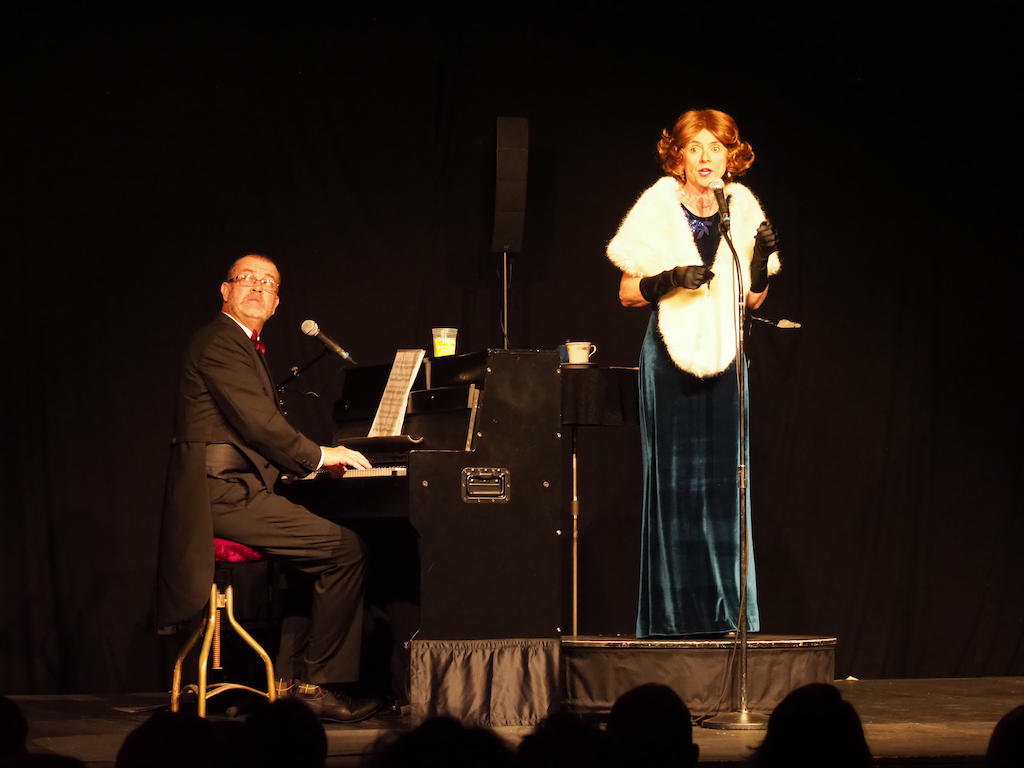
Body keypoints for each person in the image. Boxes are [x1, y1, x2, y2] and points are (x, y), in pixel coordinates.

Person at [156, 253, 380, 722]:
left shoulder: (242, 345)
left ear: (277, 303)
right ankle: (317, 687)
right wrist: (319, 456)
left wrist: (305, 468)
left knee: (315, 553)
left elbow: (250, 431)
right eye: (247, 279)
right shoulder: (219, 341)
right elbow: (258, 424)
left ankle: (289, 681)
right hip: (218, 494)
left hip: (236, 488)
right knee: (345, 550)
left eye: (269, 283)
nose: (258, 287)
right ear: (226, 290)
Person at [607, 108, 780, 637]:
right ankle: (671, 619)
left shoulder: (741, 206)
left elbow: (753, 299)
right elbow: (627, 293)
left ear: (731, 155)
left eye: (716, 147)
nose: (706, 157)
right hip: (668, 357)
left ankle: (729, 616)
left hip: (727, 355)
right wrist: (667, 280)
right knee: (673, 486)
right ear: (678, 156)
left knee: (729, 484)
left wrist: (758, 263)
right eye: (695, 147)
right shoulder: (659, 206)